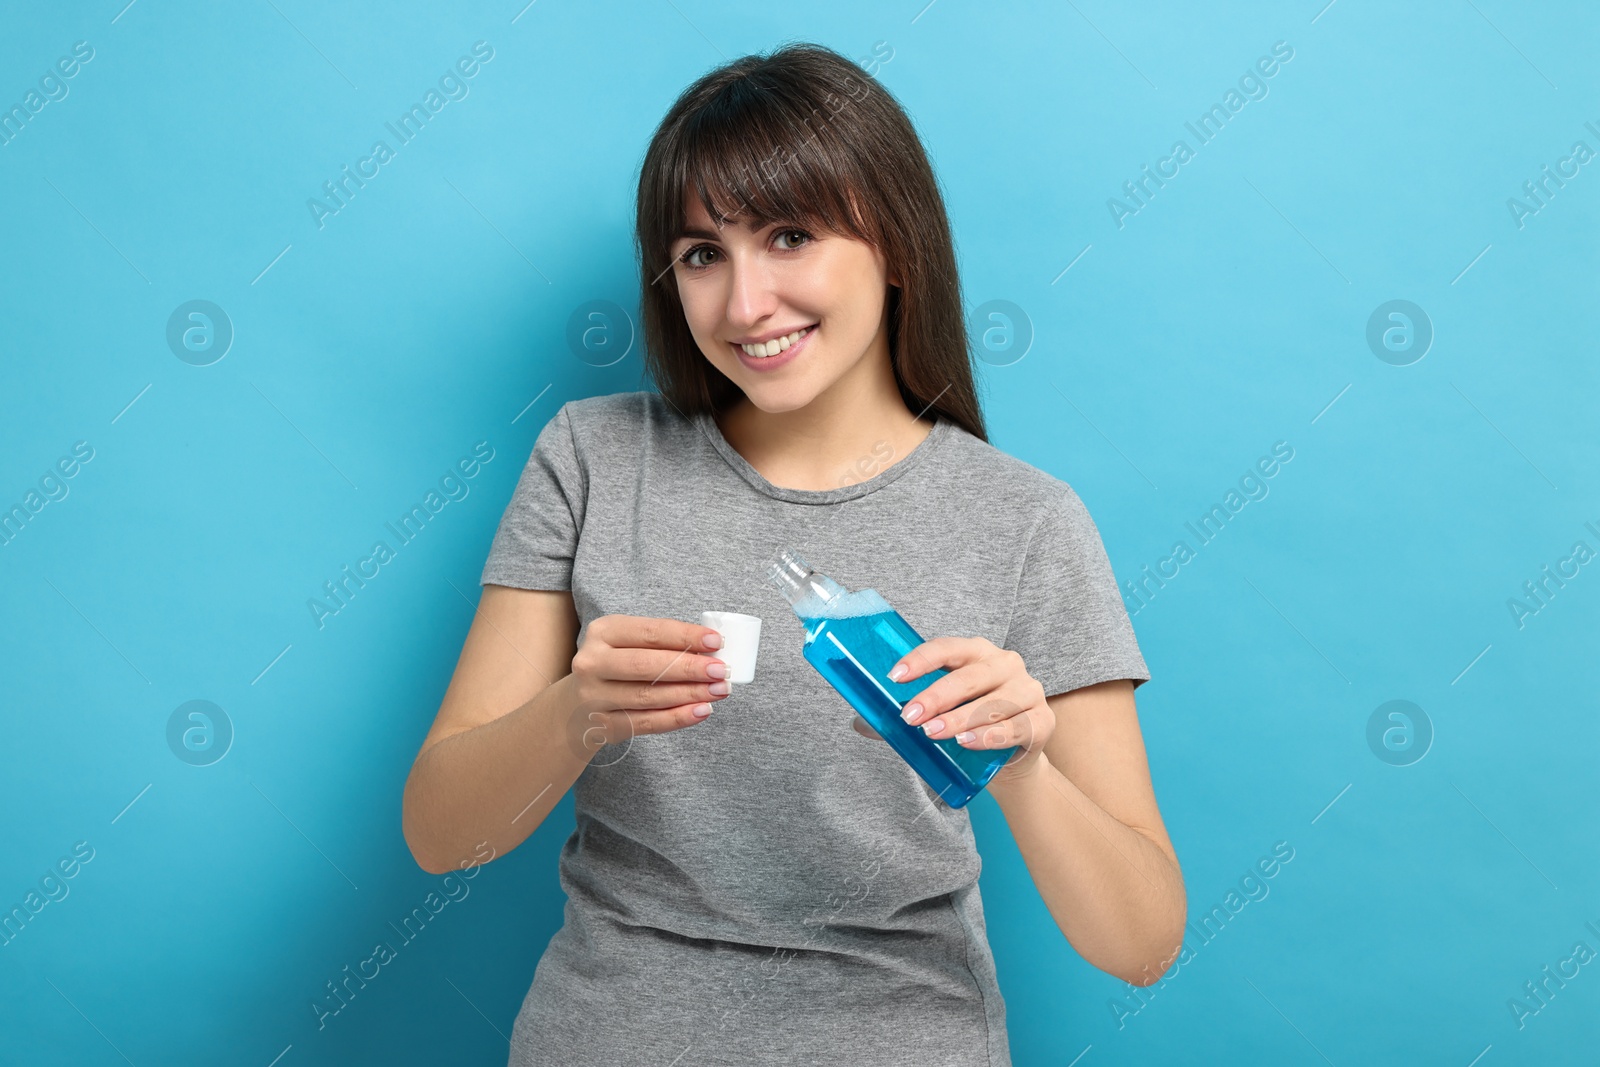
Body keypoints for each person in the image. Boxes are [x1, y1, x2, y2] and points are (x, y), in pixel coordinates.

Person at [401, 41, 1185, 1066]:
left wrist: (1016, 759)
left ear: (895, 245)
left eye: (788, 235)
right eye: (700, 254)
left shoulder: (1025, 520)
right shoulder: (593, 459)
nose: (743, 304)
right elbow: (441, 835)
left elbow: (1139, 943)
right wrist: (571, 713)